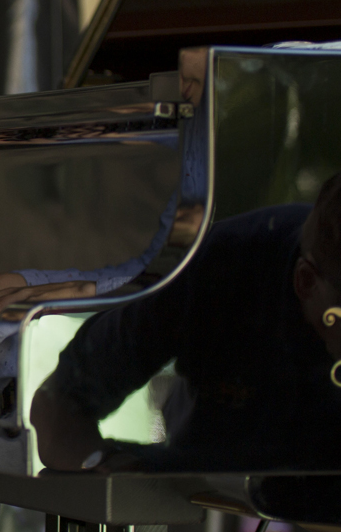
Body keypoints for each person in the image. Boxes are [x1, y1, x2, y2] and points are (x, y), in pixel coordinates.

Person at [30, 171, 341, 473]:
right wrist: (112, 470)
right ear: (305, 282)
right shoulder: (214, 269)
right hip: (194, 487)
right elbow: (57, 406)